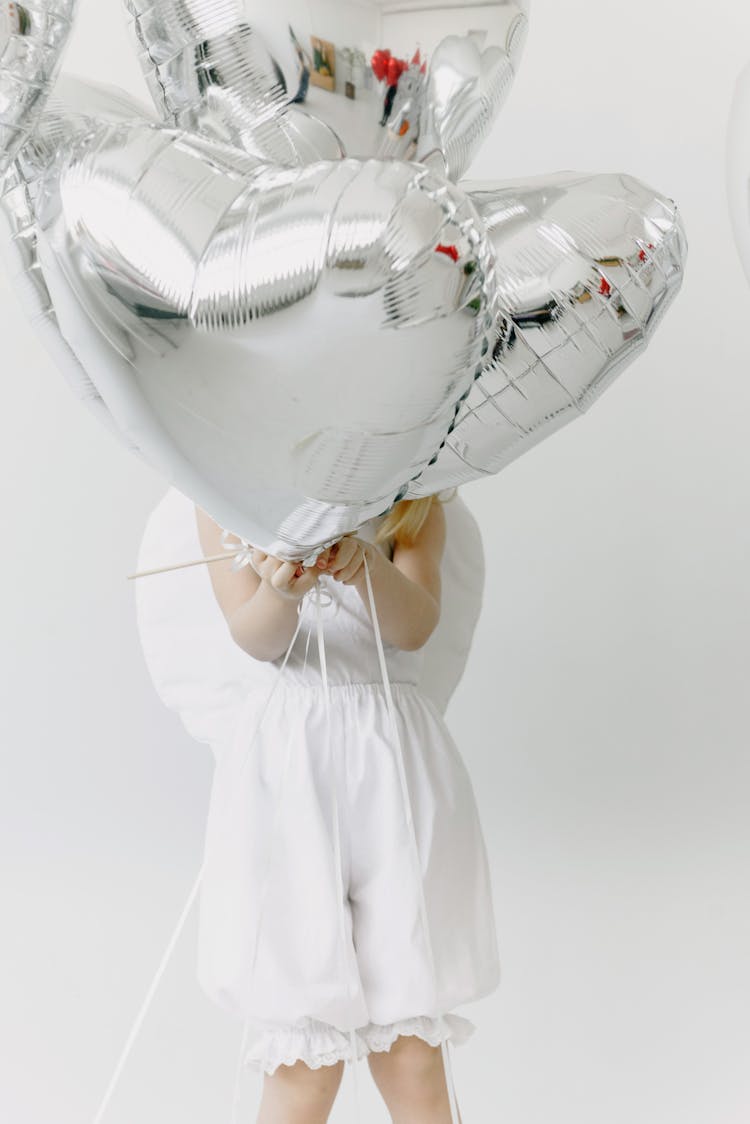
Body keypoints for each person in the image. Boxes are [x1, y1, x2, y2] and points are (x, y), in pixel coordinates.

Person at [192, 490, 501, 1123]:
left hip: (391, 757)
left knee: (414, 1051)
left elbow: (415, 625)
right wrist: (280, 590)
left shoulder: (415, 496)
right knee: (303, 1060)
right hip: (289, 766)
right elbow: (257, 641)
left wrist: (364, 563)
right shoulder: (223, 491)